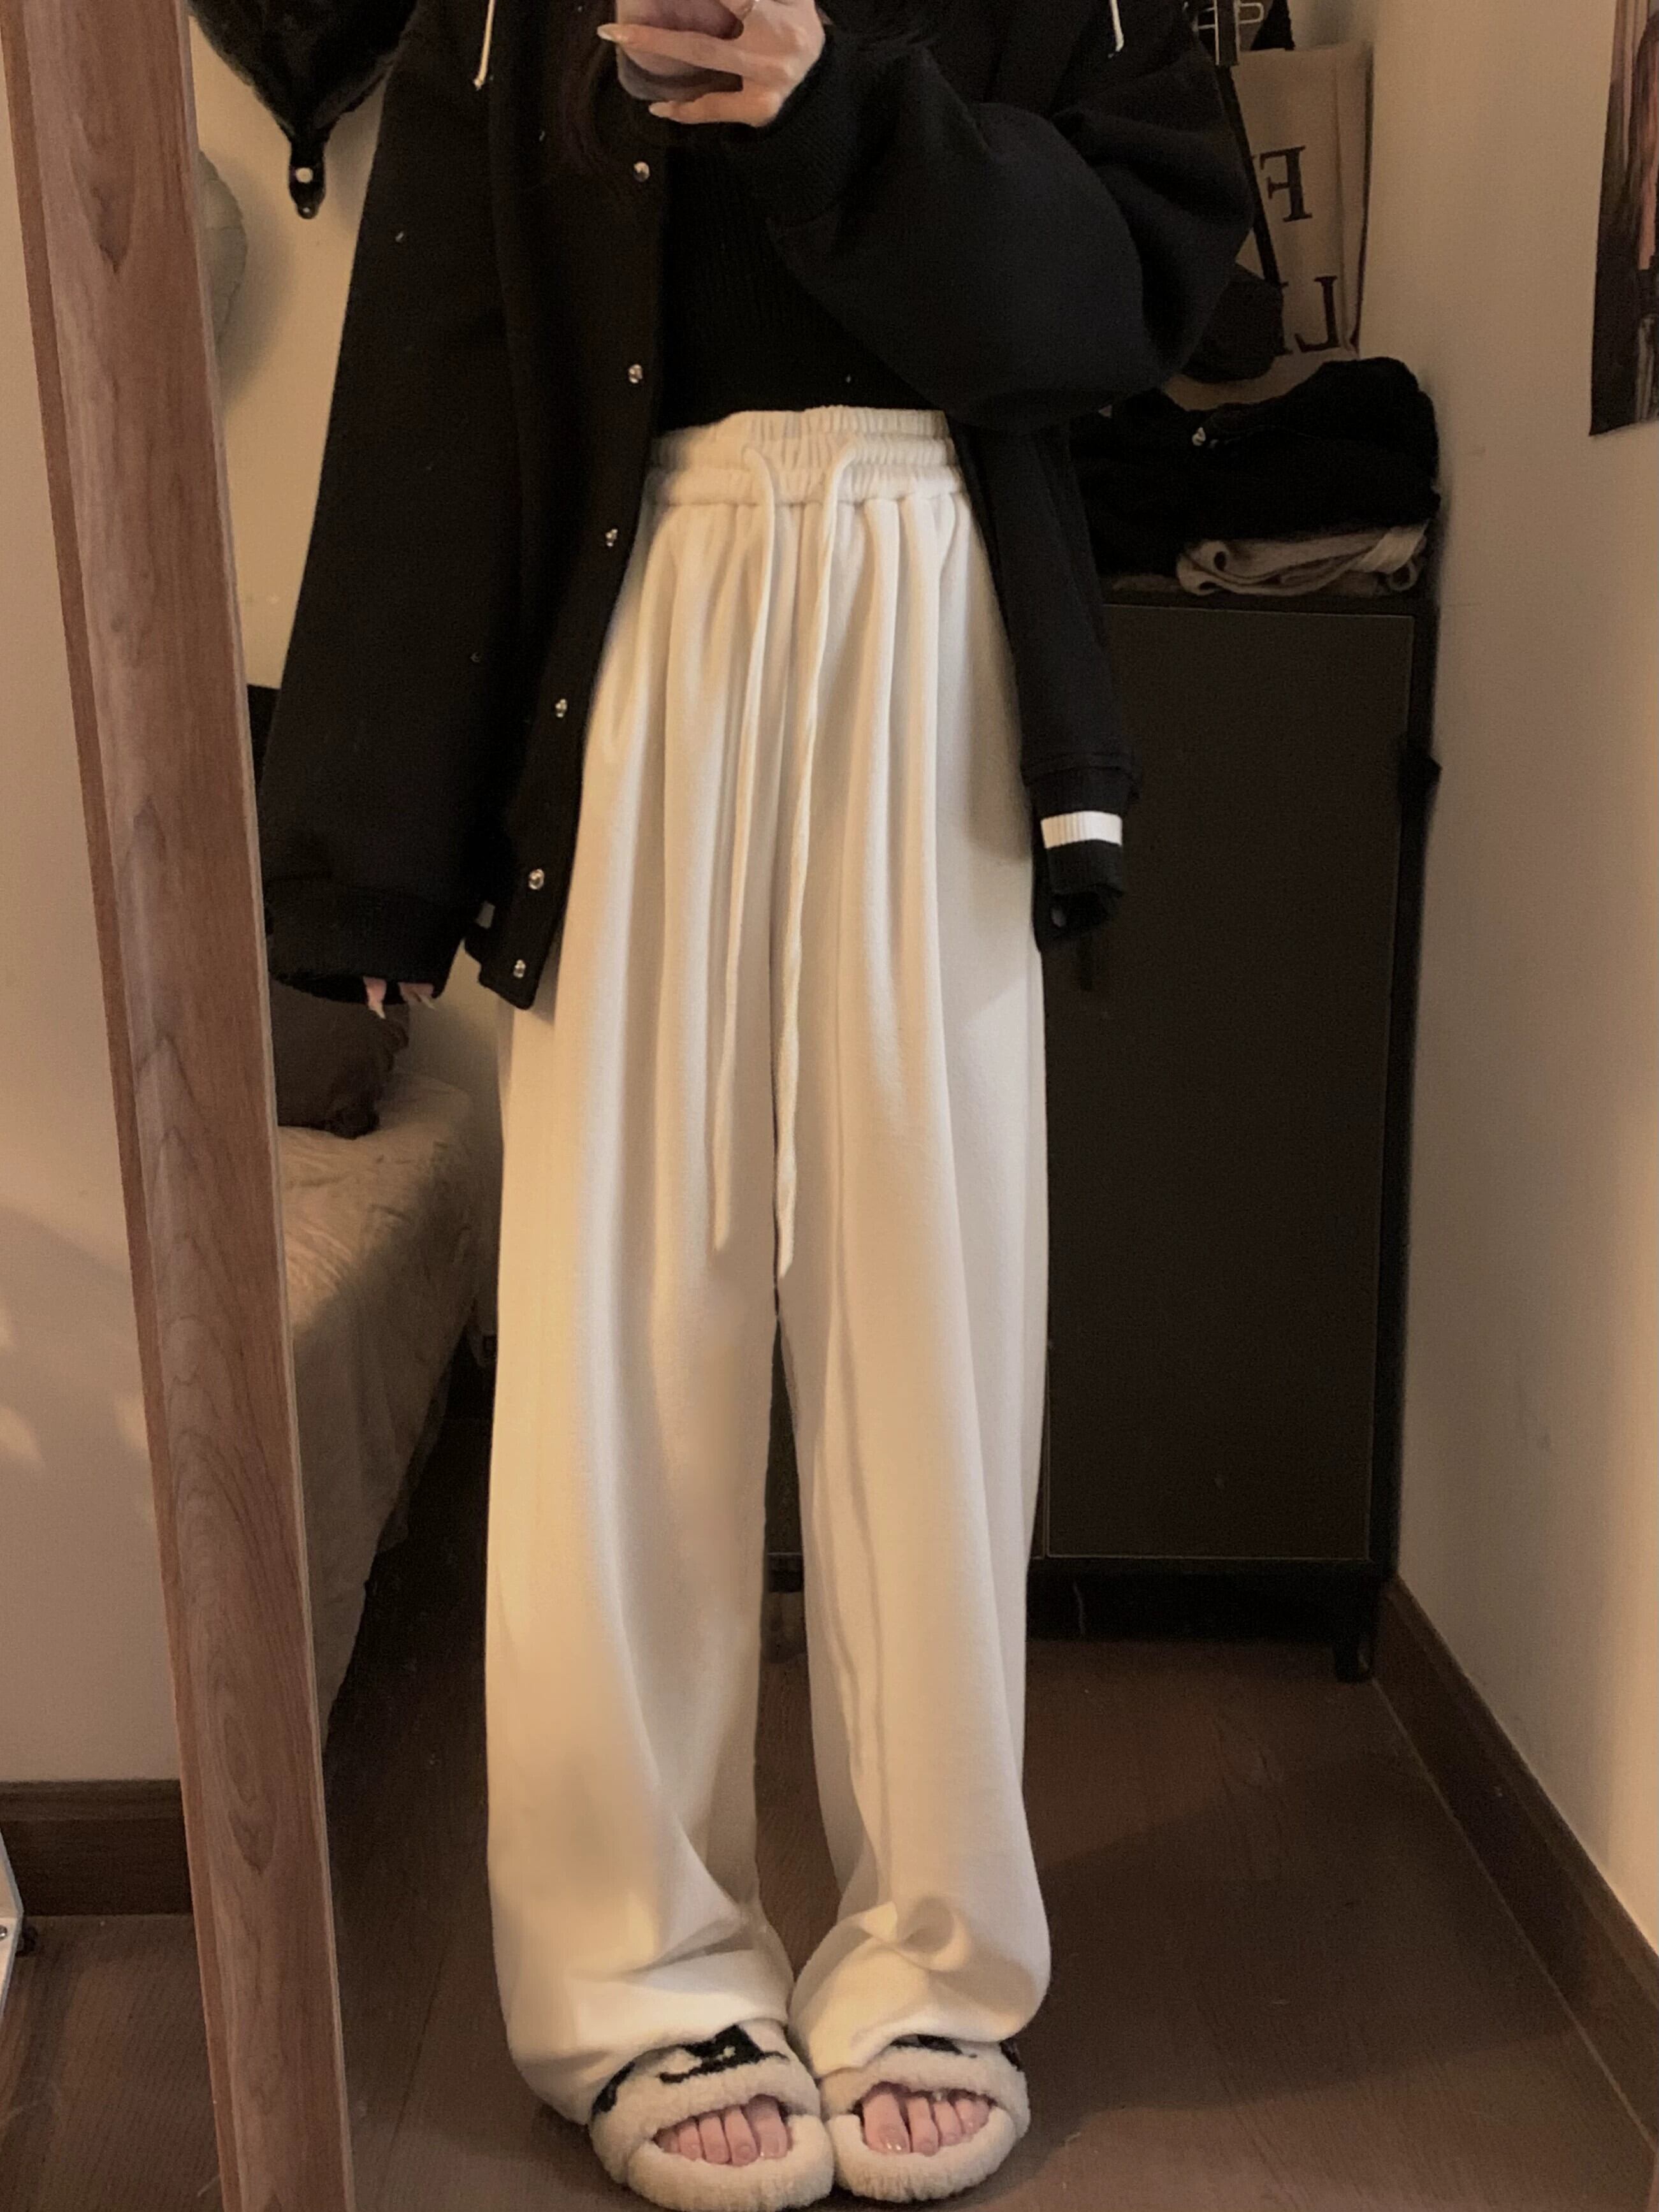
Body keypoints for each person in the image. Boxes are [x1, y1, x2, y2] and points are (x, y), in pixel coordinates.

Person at [256, 0, 1250, 2202]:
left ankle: (929, 1960)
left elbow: (1136, 292)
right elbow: (436, 365)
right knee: (616, 1327)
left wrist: (838, 109)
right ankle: (636, 1973)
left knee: (933, 1332)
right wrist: (368, 848)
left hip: (940, 609)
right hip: (639, 621)